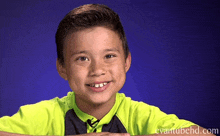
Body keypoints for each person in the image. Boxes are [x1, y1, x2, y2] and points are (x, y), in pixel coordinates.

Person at [0, 4, 215, 136]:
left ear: (126, 62)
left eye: (109, 56)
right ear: (62, 67)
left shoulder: (139, 115)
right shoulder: (47, 115)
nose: (97, 70)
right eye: (82, 58)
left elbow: (202, 134)